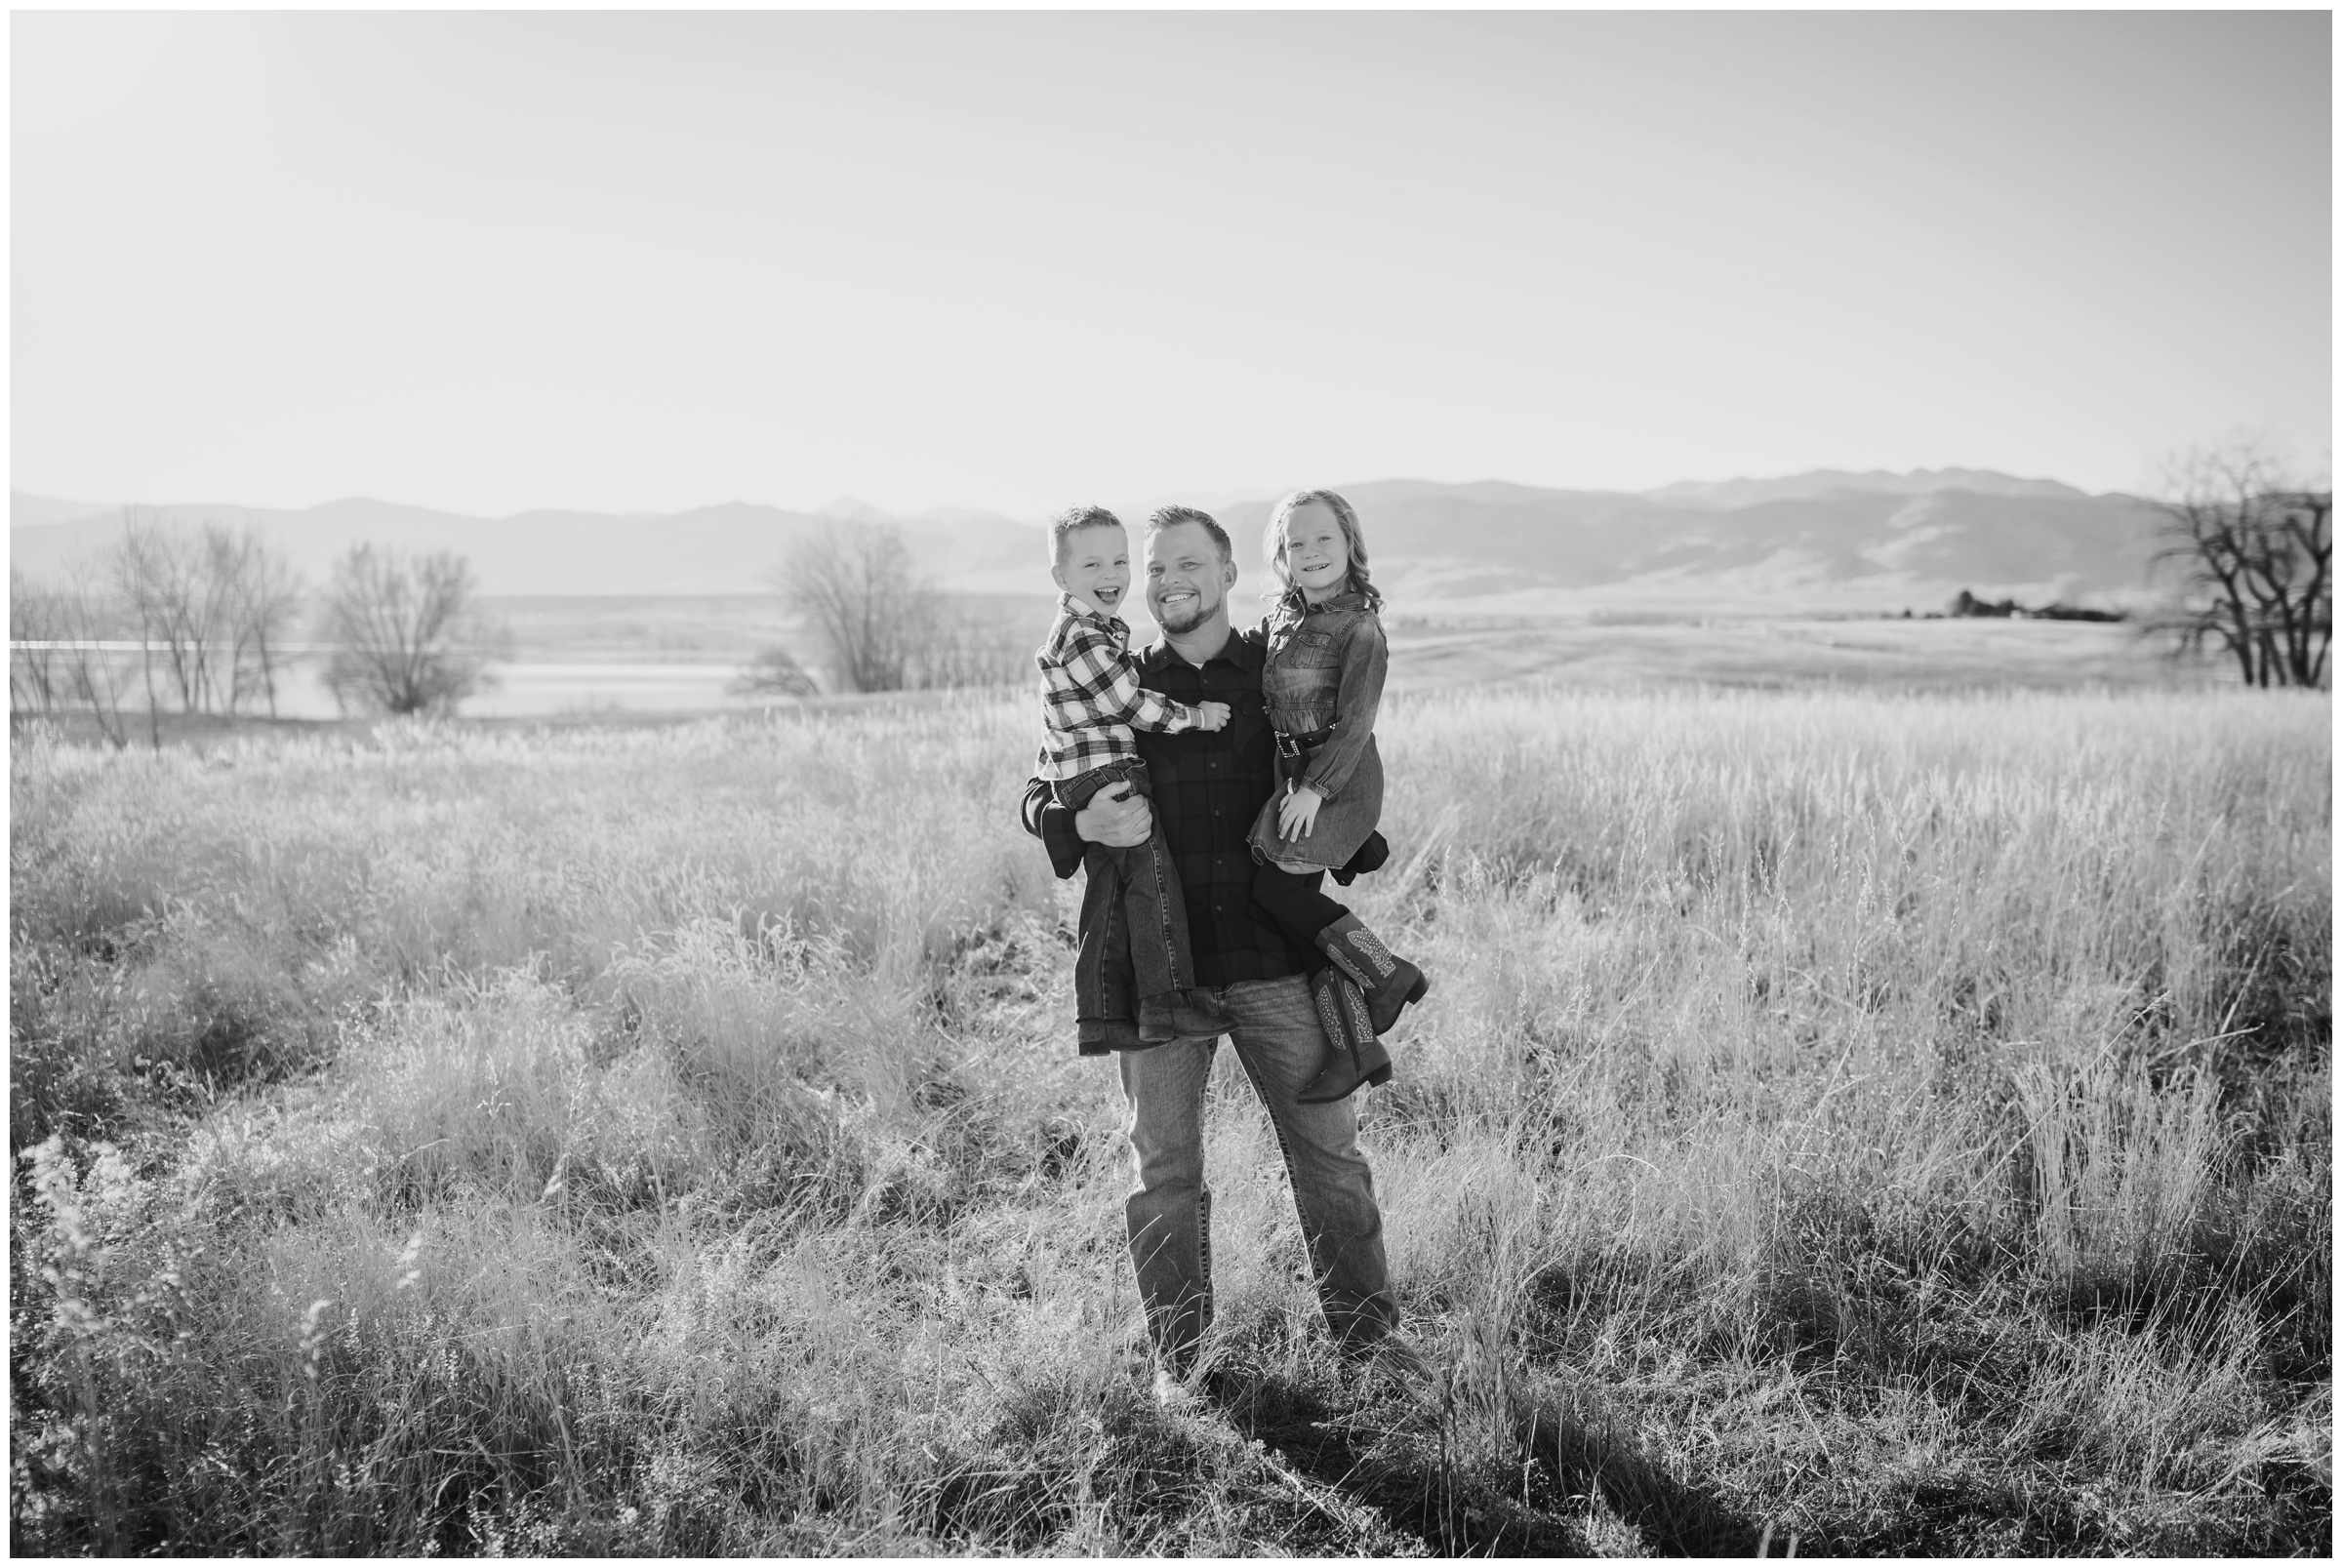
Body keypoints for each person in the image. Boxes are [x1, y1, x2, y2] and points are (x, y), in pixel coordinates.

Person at [1020, 504, 1418, 1399]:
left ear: (1232, 569)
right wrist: (1077, 818)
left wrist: (1347, 833)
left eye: (1187, 563)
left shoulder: (1274, 677)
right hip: (1161, 972)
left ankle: (1372, 1348)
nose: (1167, 582)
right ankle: (1184, 1366)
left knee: (1330, 1157)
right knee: (1163, 1170)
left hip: (1275, 963)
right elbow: (1041, 781)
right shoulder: (1121, 678)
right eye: (1155, 569)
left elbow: (1345, 764)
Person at [1247, 489, 1430, 1103]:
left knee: (1272, 891)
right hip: (1291, 780)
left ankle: (1388, 972)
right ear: (1282, 555)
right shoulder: (1282, 619)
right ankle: (1357, 1050)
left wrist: (1316, 792)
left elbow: (1356, 723)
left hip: (1336, 782)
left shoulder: (1362, 629)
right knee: (1296, 920)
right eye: (1295, 542)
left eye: (1323, 537)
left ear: (1349, 542)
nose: (1310, 551)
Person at [1035, 504, 1232, 1045]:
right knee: (1152, 887)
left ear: (1228, 574)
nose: (1111, 576)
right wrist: (1196, 717)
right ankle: (1163, 1004)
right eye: (1093, 565)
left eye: (1120, 562)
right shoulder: (1091, 644)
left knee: (1118, 894)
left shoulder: (1096, 638)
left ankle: (1102, 1016)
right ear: (1062, 577)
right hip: (1107, 777)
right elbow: (1127, 706)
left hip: (1262, 957)